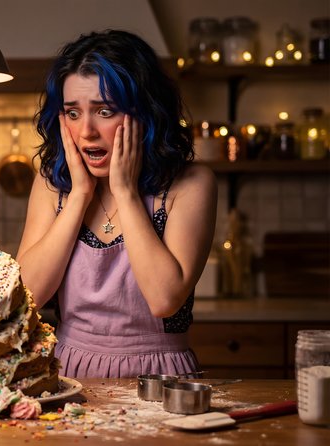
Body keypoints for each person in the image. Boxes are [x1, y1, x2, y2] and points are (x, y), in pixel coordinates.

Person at [16, 30, 217, 378]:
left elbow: (164, 298)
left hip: (160, 376)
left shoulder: (191, 183)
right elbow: (26, 294)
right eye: (73, 113)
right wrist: (79, 195)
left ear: (145, 113)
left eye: (104, 110)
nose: (87, 131)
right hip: (65, 373)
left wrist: (124, 191)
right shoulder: (53, 183)